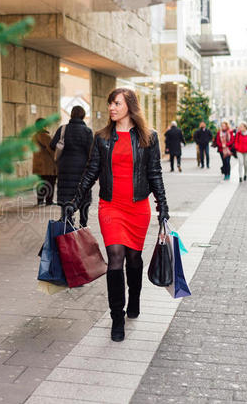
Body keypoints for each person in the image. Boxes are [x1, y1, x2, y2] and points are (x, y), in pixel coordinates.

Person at [63, 88, 168, 342]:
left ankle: (134, 296)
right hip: (111, 207)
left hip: (137, 208)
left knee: (134, 259)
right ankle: (117, 318)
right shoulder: (102, 138)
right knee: (115, 257)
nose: (111, 107)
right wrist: (75, 202)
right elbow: (91, 172)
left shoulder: (148, 137)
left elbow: (154, 173)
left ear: (129, 106)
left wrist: (162, 205)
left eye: (116, 103)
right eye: (110, 103)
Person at [50, 106, 93, 226]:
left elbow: (53, 144)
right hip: (82, 169)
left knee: (66, 197)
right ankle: (83, 225)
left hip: (65, 168)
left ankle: (66, 223)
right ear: (83, 116)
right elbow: (91, 152)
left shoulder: (63, 129)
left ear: (71, 115)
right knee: (83, 198)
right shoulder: (87, 131)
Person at [32, 118, 57, 206]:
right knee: (50, 182)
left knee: (40, 183)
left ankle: (40, 200)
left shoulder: (34, 136)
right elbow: (52, 150)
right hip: (47, 165)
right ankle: (49, 201)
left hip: (37, 163)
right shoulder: (46, 136)